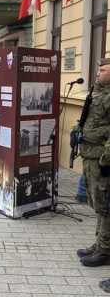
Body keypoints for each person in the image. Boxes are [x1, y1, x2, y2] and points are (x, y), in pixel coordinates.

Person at [76, 59, 110, 271]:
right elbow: (90, 121)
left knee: (105, 205)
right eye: (98, 69)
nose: (98, 73)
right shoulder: (96, 93)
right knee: (97, 203)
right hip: (90, 155)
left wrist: (107, 158)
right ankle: (99, 243)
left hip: (102, 158)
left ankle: (105, 250)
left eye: (104, 70)